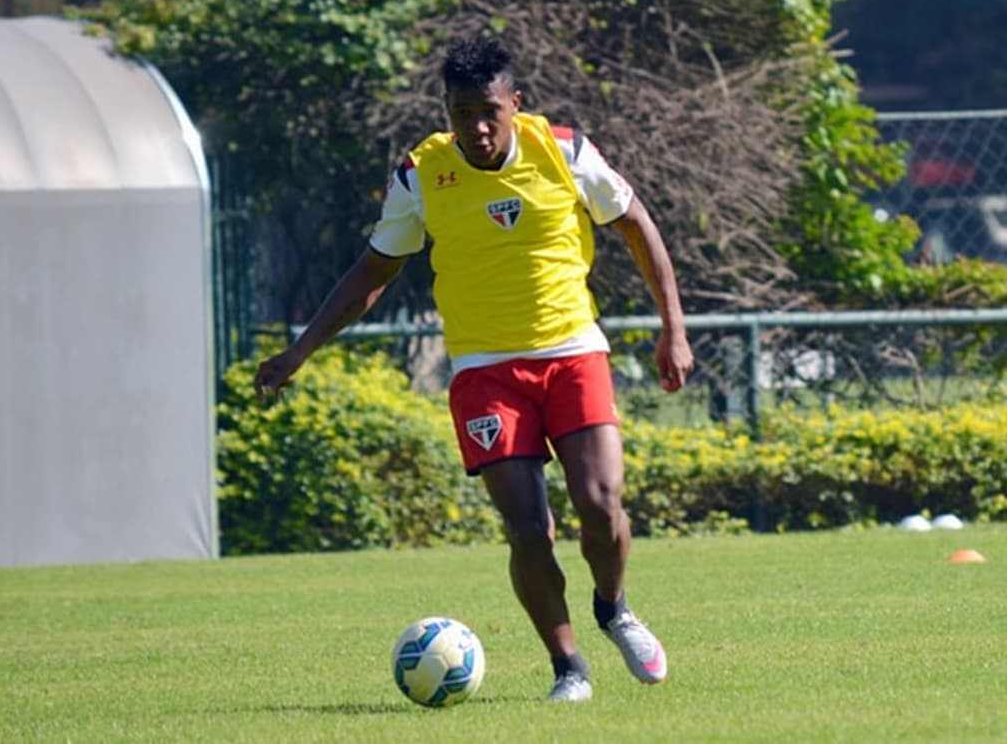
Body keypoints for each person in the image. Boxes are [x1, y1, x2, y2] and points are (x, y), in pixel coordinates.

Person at [254, 36, 693, 702]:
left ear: (516, 103)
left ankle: (614, 607)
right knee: (527, 528)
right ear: (446, 110)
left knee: (601, 507)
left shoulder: (565, 150)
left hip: (572, 349)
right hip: (485, 369)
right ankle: (568, 666)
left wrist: (674, 330)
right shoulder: (420, 173)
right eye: (463, 113)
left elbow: (635, 224)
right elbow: (376, 267)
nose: (478, 128)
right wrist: (302, 348)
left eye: (490, 111)